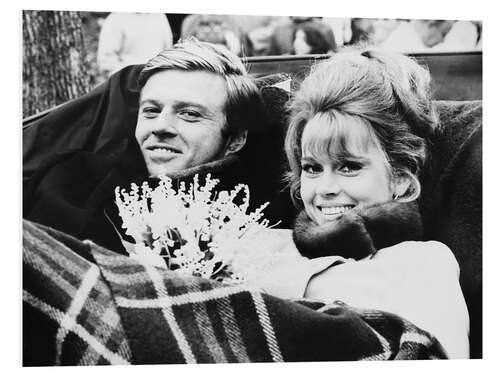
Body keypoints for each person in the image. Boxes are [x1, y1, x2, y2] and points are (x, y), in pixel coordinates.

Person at [234, 48, 469, 359]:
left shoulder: (423, 263)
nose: (325, 189)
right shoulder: (260, 244)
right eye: (312, 168)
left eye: (349, 166)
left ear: (399, 177)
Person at [24, 38, 272, 255]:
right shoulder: (67, 178)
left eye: (189, 113)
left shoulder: (258, 218)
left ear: (236, 138)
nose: (160, 127)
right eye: (151, 111)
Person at [97, 12, 173, 76]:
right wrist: (129, 78)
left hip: (156, 82)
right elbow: (106, 61)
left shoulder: (159, 16)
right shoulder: (116, 18)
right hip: (127, 84)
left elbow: (168, 52)